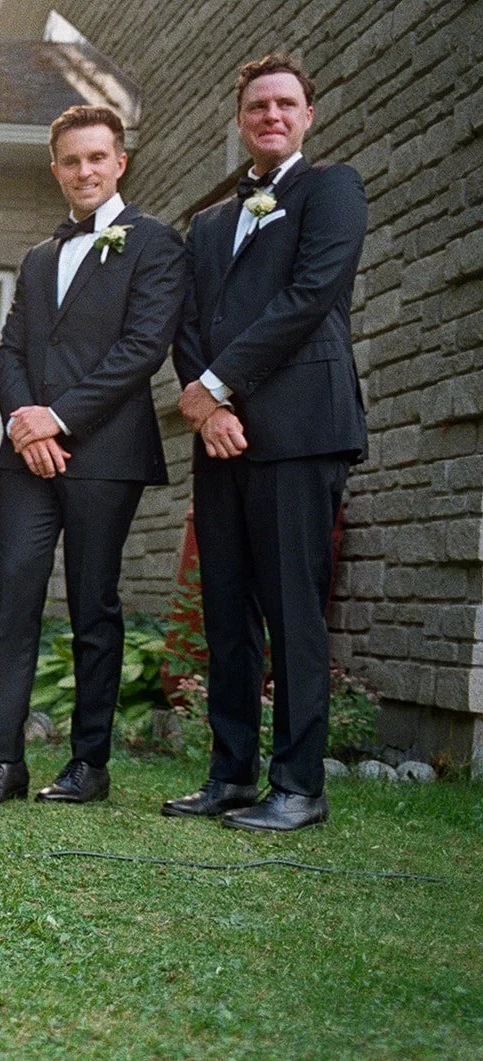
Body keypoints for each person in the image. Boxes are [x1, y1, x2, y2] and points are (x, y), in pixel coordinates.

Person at [163, 55, 367, 832]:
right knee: (226, 611)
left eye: (285, 104)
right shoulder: (211, 222)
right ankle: (230, 775)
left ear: (307, 115)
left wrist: (215, 386)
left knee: (293, 609)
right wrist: (207, 407)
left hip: (300, 429)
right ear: (240, 119)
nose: (271, 115)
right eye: (257, 106)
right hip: (222, 440)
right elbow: (189, 324)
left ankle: (300, 785)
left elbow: (309, 297)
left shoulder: (333, 190)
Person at [0, 106, 186, 807]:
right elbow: (15, 348)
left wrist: (57, 418)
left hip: (104, 453)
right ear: (55, 168)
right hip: (28, 461)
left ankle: (89, 765)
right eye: (70, 160)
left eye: (97, 158)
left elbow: (142, 349)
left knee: (94, 603)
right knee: (15, 598)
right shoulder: (38, 255)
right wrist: (27, 427)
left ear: (120, 162)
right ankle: (5, 762)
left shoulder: (155, 244)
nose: (84, 171)